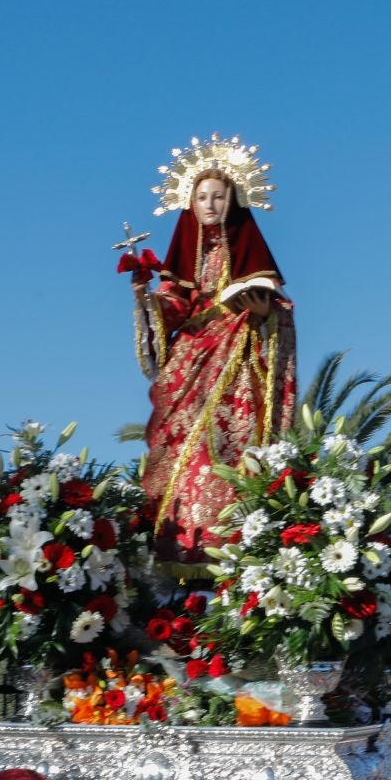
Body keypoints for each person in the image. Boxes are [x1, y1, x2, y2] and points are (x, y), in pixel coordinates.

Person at [135, 146, 297, 564]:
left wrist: (262, 313)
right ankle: (177, 544)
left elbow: (278, 309)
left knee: (226, 447)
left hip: (236, 356)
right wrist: (145, 297)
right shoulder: (184, 258)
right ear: (190, 202)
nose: (210, 204)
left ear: (235, 200)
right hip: (189, 360)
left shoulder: (250, 254)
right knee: (179, 451)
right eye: (203, 196)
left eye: (219, 196)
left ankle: (229, 542)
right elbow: (172, 305)